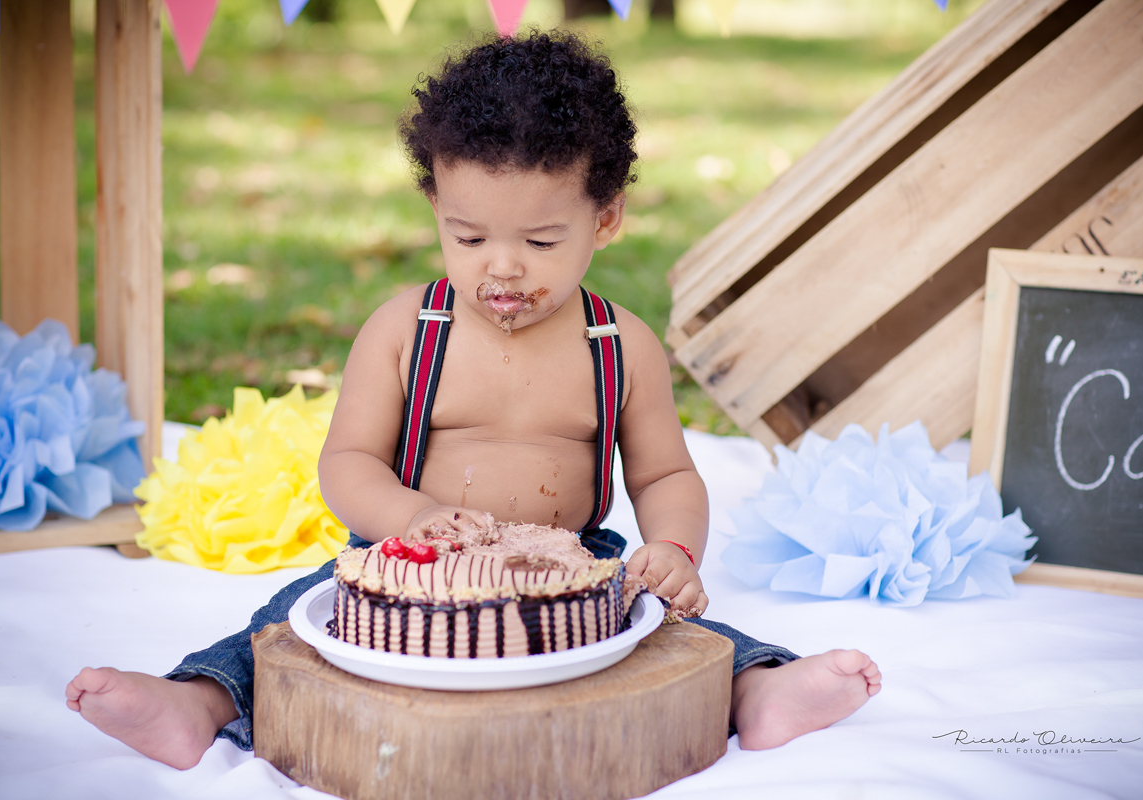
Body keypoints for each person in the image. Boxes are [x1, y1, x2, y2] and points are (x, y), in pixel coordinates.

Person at [66, 31, 880, 770]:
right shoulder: (405, 332)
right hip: (408, 559)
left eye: (541, 241)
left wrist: (673, 549)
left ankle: (757, 690)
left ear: (606, 219)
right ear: (436, 211)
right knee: (287, 622)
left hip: (569, 566)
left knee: (666, 632)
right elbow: (348, 462)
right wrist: (410, 518)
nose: (503, 267)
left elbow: (665, 474)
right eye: (469, 237)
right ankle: (198, 702)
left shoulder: (618, 345)